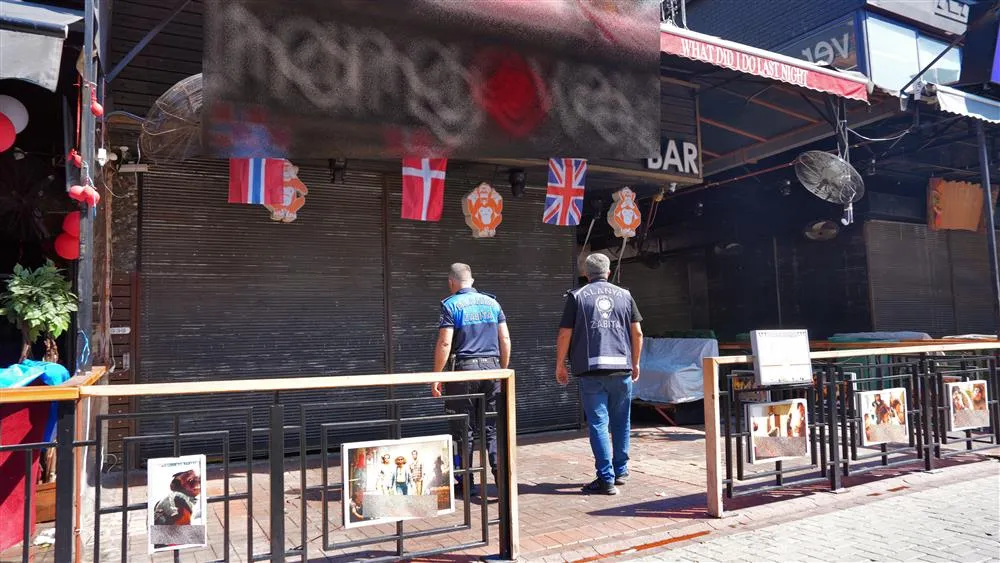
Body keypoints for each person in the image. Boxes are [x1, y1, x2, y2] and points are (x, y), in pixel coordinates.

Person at [555, 253, 643, 495]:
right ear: (608, 271)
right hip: (622, 369)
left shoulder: (577, 296)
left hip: (591, 370)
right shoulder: (625, 295)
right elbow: (637, 333)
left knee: (598, 424)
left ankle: (606, 479)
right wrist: (635, 363)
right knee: (621, 421)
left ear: (585, 273)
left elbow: (564, 334)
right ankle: (621, 471)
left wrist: (560, 364)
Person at [432, 263, 511, 495]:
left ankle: (466, 483)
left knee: (462, 429)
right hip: (492, 371)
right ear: (472, 281)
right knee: (492, 428)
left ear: (451, 282)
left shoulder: (450, 305)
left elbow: (445, 343)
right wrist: (502, 370)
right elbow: (505, 339)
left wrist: (437, 375)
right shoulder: (493, 303)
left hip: (463, 373)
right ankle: (501, 479)